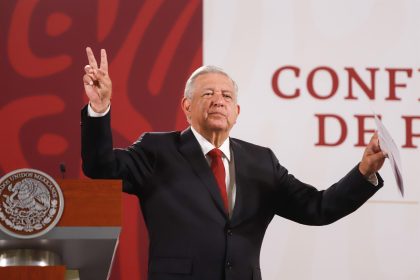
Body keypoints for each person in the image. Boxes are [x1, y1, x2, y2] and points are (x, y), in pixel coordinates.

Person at [81, 47, 386, 280]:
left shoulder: (262, 161)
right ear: (187, 107)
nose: (218, 100)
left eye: (226, 95)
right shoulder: (157, 150)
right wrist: (99, 107)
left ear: (236, 111)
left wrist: (364, 173)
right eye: (208, 94)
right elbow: (101, 167)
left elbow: (317, 208)